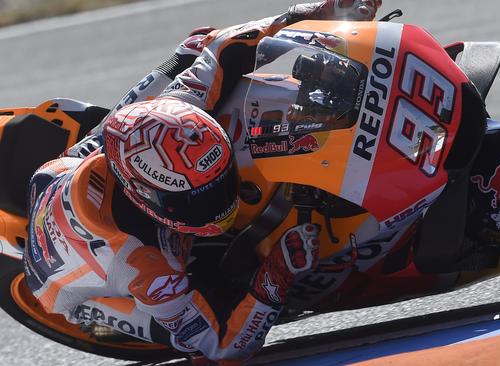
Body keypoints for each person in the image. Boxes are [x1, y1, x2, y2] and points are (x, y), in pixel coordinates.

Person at [22, 1, 381, 364]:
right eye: (199, 199)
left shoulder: (178, 112)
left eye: (220, 180)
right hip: (78, 287)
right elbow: (224, 346)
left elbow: (225, 46)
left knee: (196, 48)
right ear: (146, 197)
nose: (222, 203)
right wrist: (275, 277)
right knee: (203, 322)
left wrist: (319, 11)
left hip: (63, 169)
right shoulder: (143, 267)